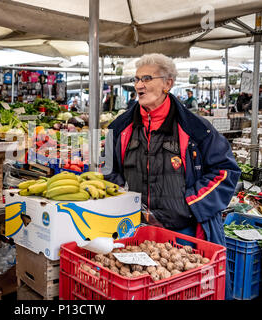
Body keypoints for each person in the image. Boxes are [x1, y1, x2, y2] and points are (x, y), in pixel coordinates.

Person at [104, 53, 240, 297]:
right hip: (136, 233)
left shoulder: (197, 129)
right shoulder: (119, 127)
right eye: (136, 79)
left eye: (147, 78)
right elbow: (107, 170)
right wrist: (123, 199)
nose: (138, 85)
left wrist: (190, 204)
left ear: (168, 83)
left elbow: (225, 171)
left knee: (186, 291)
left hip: (184, 233)